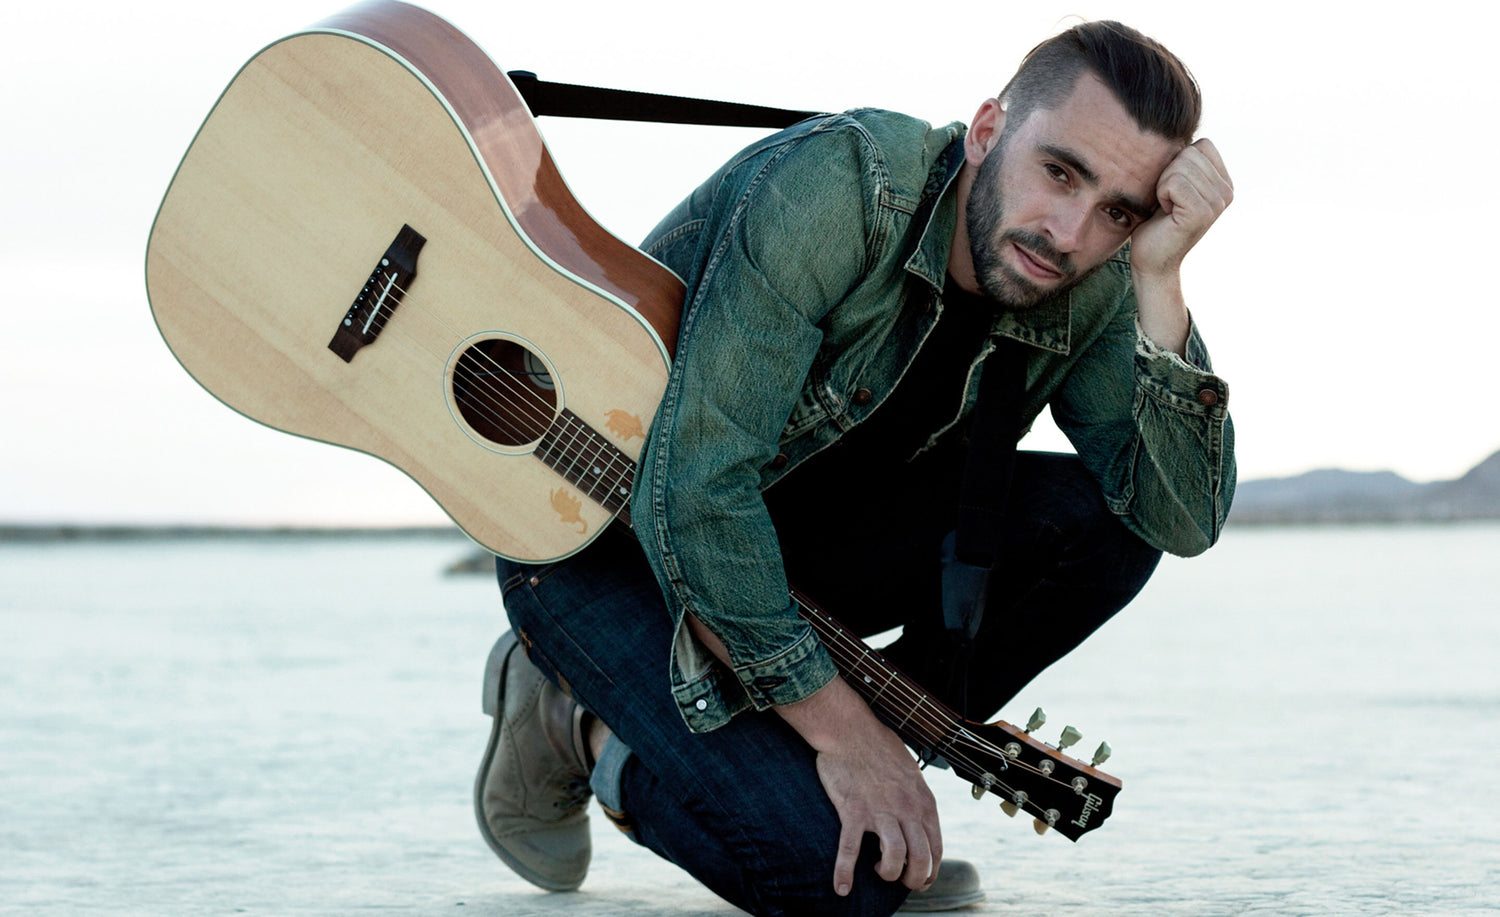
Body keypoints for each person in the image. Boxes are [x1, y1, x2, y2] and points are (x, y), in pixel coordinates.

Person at [475, 19, 1234, 916]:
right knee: (837, 889)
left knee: (1107, 527)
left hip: (792, 543)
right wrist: (851, 741)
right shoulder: (837, 189)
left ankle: (826, 778)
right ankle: (585, 727)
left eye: (1119, 211)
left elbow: (1177, 519)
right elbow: (696, 494)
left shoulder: (1097, 280)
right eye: (1059, 172)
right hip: (596, 523)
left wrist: (1160, 279)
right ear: (989, 130)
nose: (1069, 233)